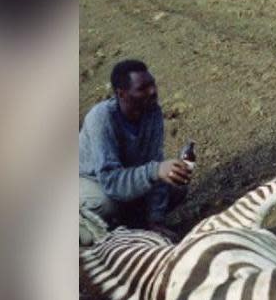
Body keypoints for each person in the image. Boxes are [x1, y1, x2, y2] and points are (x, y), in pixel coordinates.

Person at [79, 59, 192, 245]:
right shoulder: (101, 119)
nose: (153, 91)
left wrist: (156, 221)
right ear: (121, 94)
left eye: (152, 84)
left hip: (123, 177)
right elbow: (111, 181)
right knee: (107, 204)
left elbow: (155, 161)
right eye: (142, 88)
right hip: (91, 180)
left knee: (176, 184)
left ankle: (136, 223)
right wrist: (155, 170)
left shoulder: (152, 112)